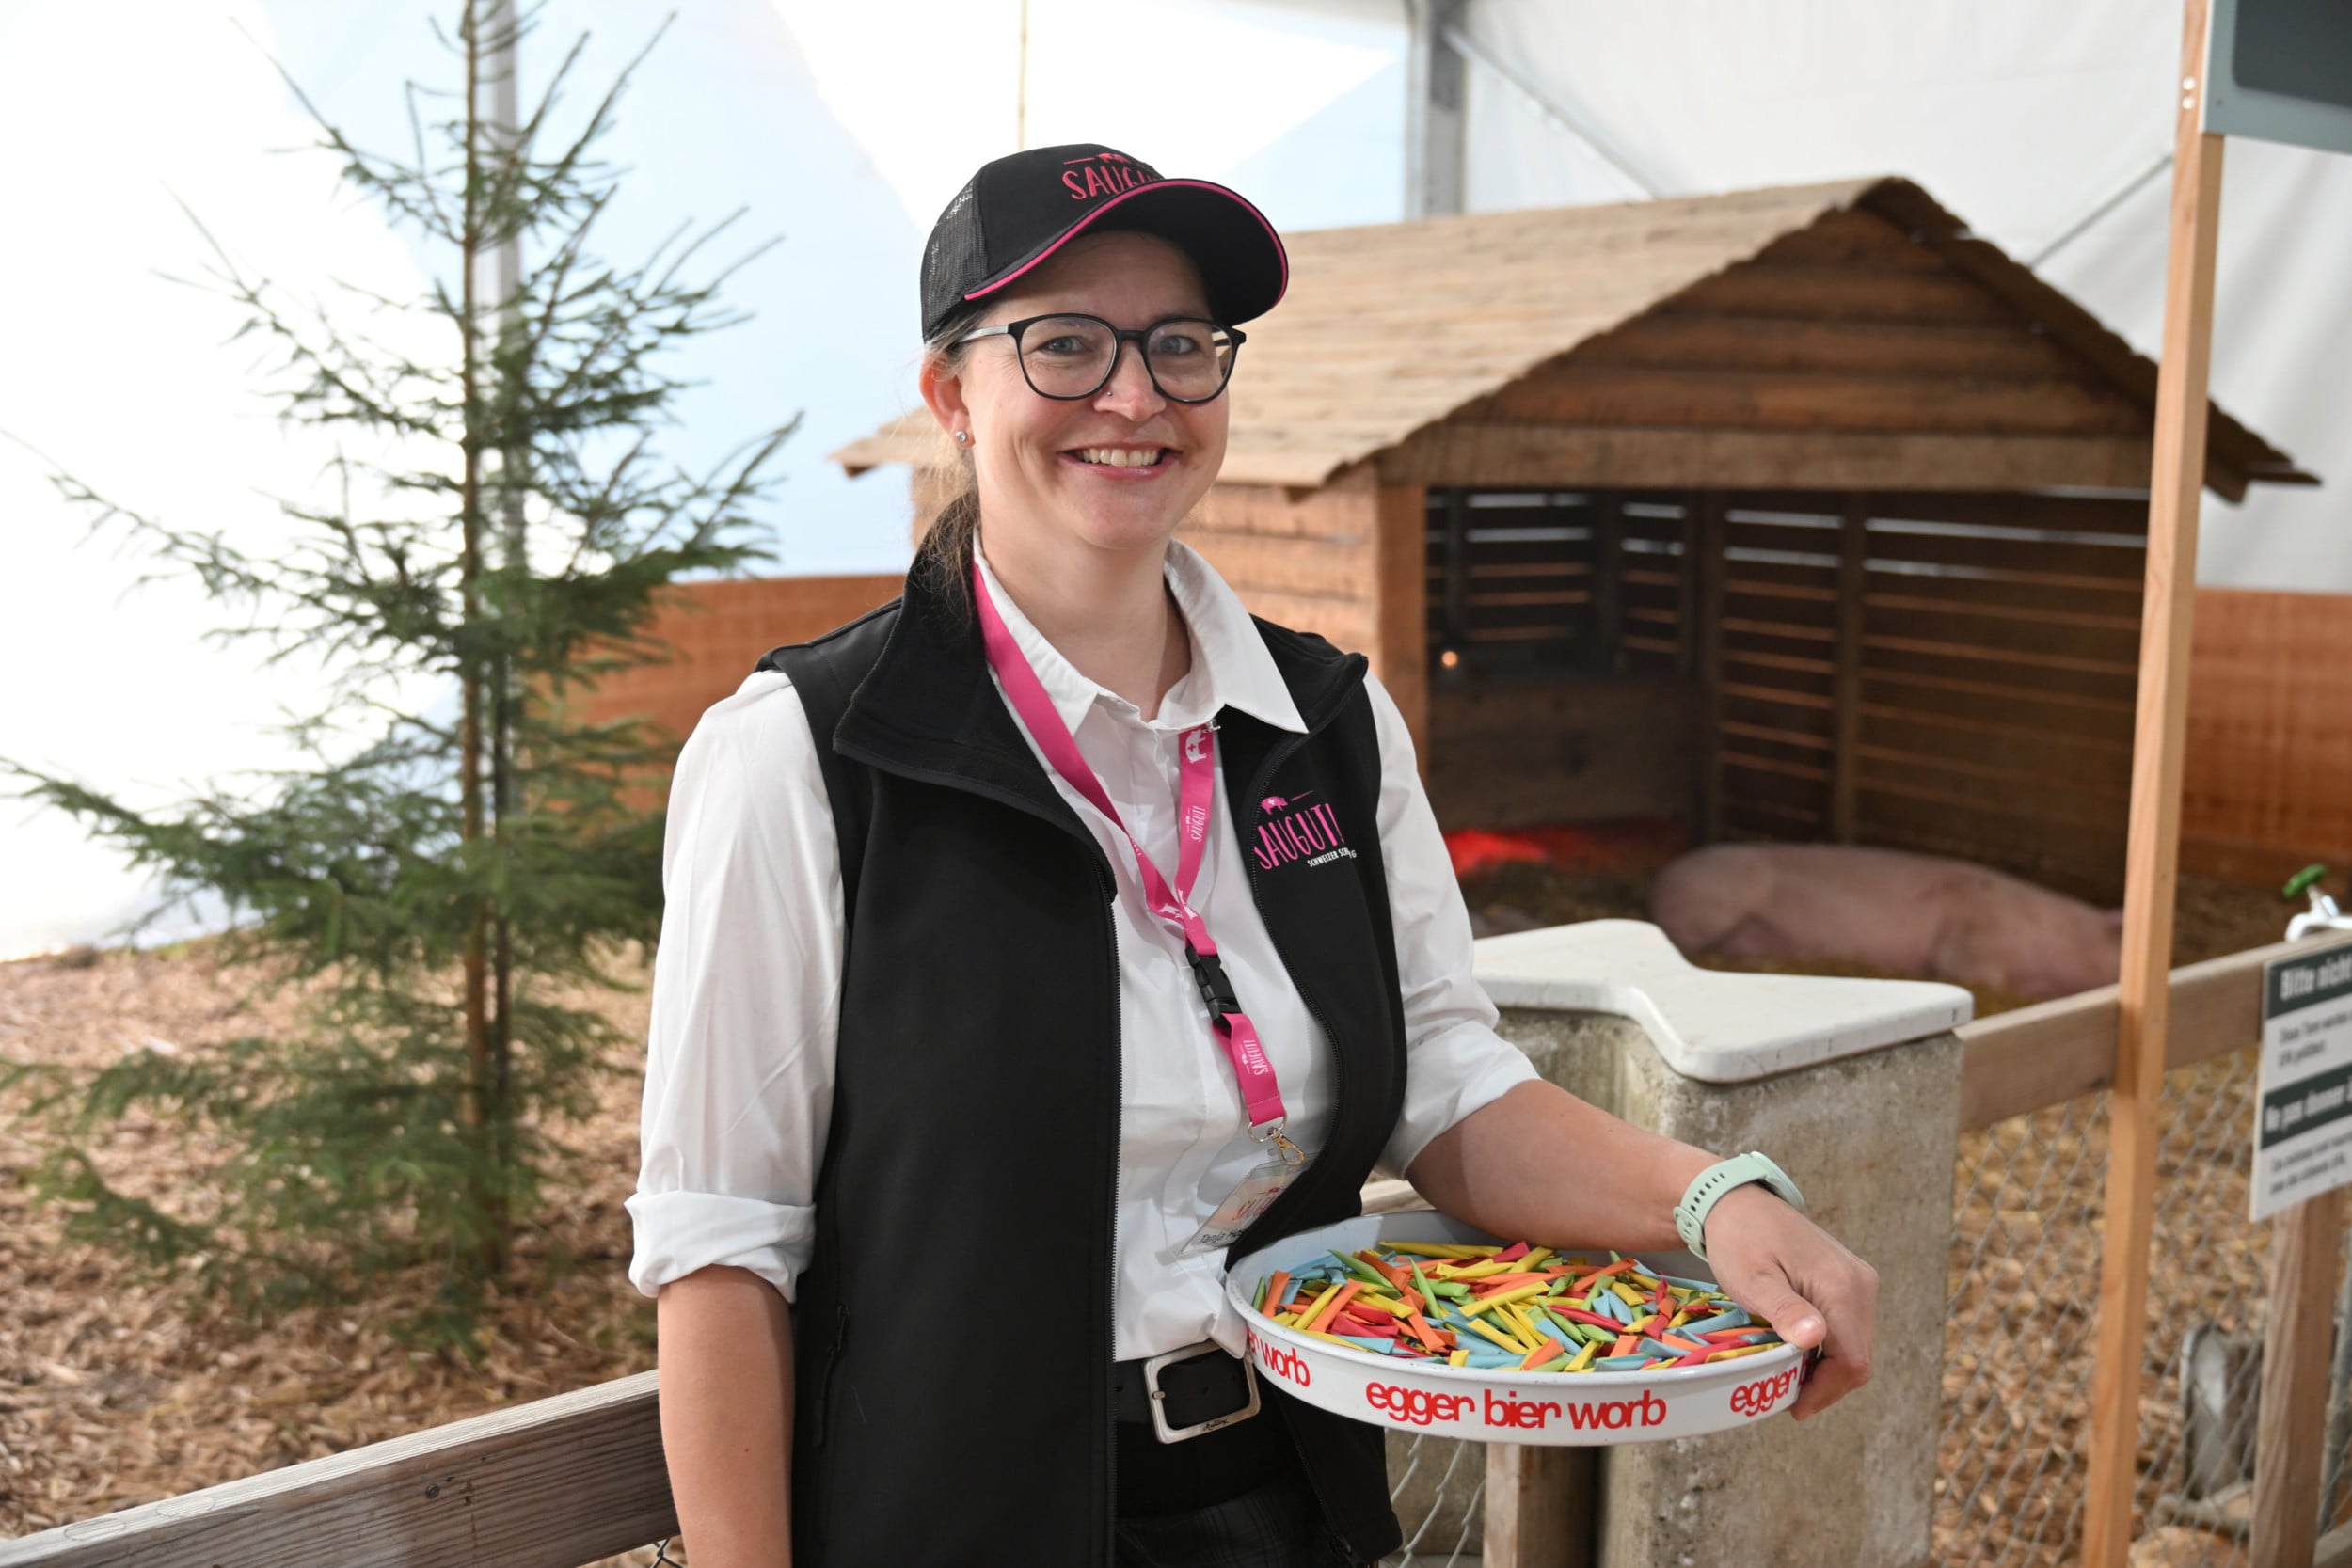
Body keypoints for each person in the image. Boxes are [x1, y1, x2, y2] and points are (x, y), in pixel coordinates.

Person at [628, 143, 1880, 1568]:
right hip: (959, 1519)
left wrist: (1707, 1201)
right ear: (952, 397)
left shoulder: (1326, 724)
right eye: (1064, 344)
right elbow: (722, 1247)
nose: (1134, 396)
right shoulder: (807, 754)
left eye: (1180, 345)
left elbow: (1446, 1080)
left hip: (1287, 1497)